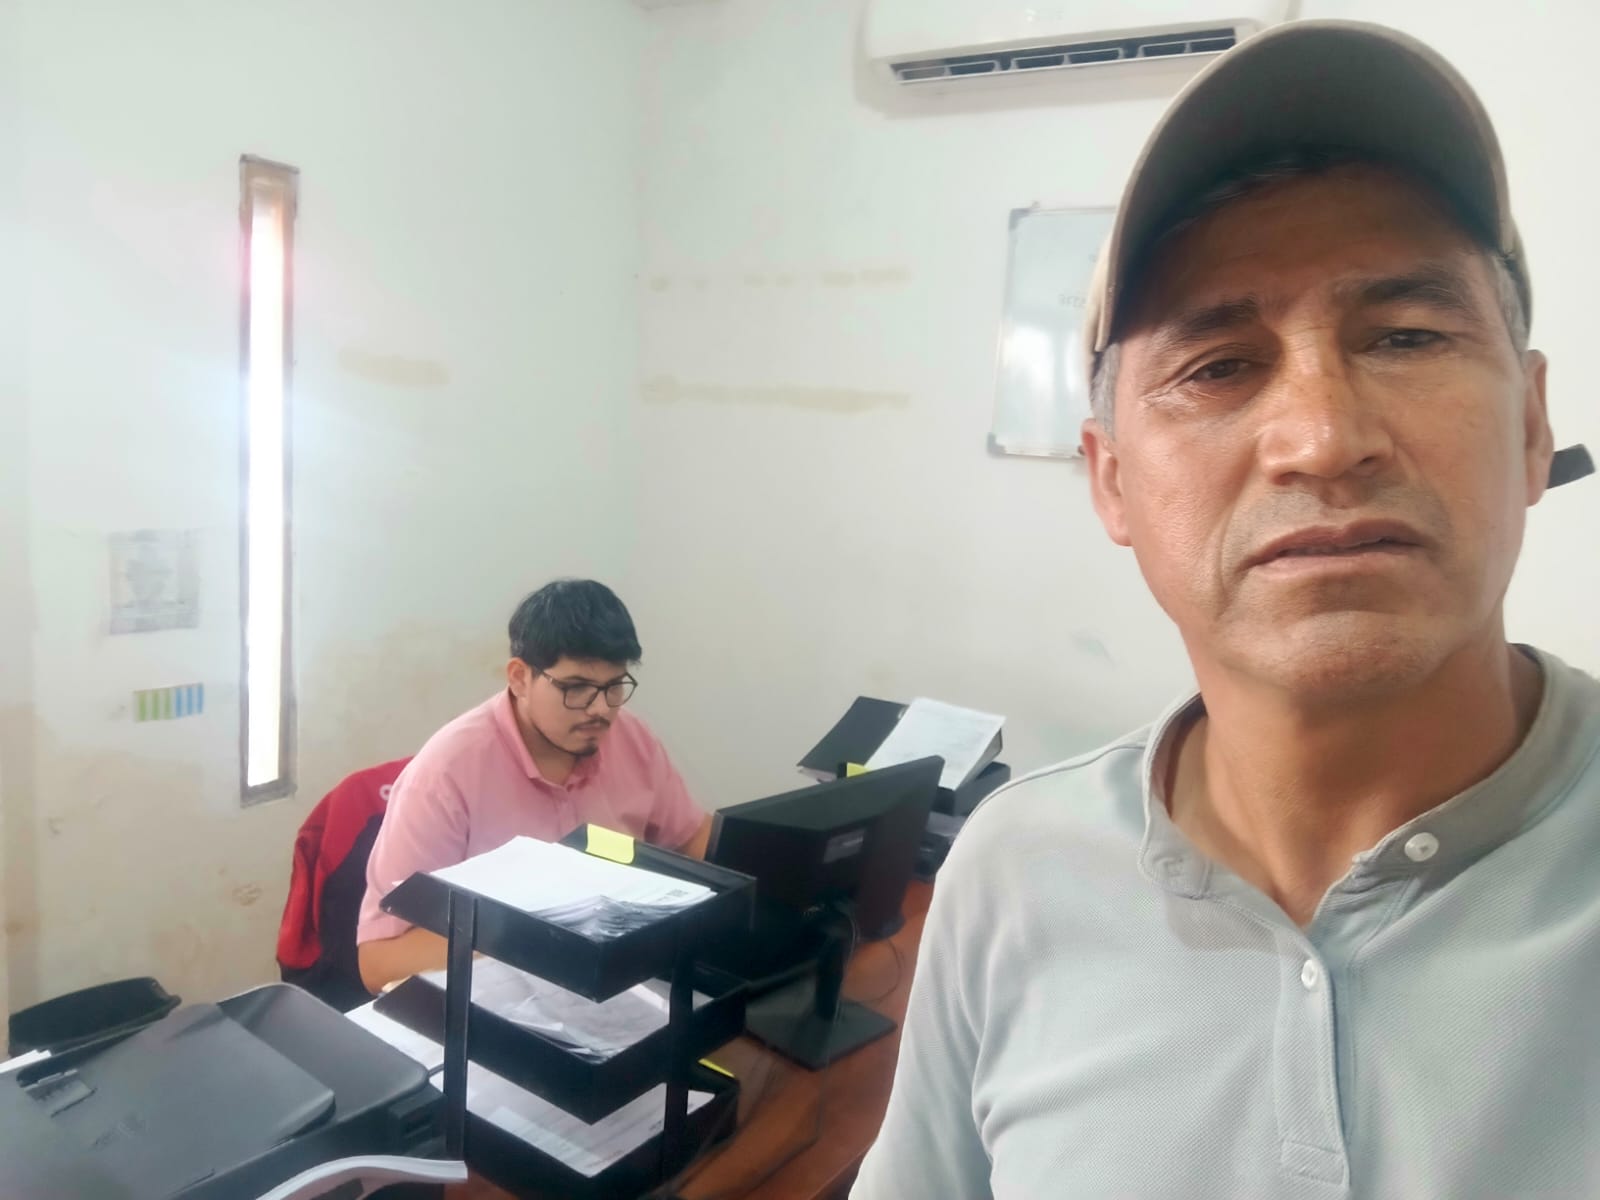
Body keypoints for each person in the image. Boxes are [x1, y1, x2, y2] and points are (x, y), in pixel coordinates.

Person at [854, 21, 1599, 1200]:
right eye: (1216, 366)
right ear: (1110, 481)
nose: (1322, 438)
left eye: (1406, 337)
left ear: (1529, 427)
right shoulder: (1012, 872)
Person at [356, 579, 711, 993]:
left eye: (614, 686)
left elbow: (694, 840)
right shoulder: (445, 776)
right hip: (501, 998)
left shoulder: (630, 739)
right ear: (520, 678)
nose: (600, 709)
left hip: (619, 983)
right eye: (576, 688)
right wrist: (526, 937)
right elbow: (377, 964)